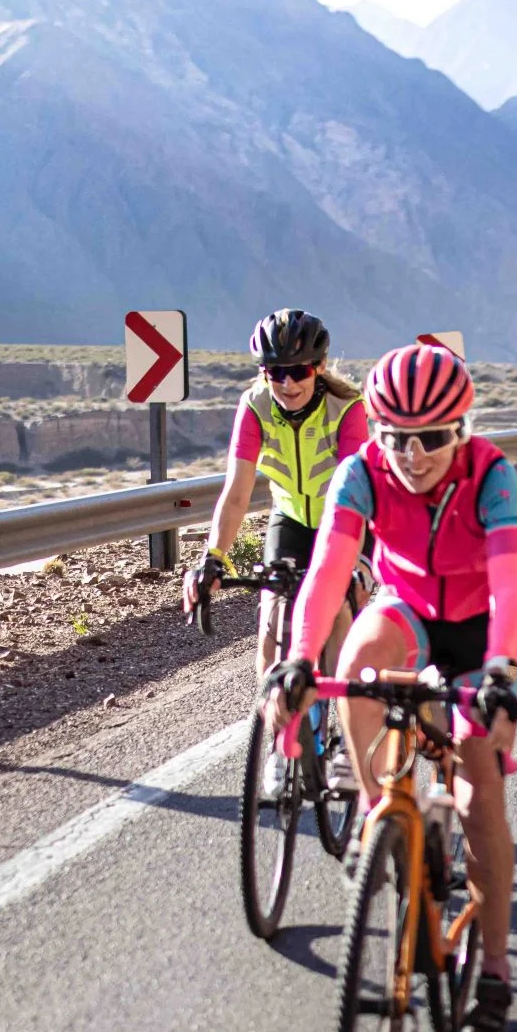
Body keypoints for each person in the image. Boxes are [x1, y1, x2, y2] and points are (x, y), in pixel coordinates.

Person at [263, 343, 517, 1032]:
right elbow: (326, 572)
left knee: (479, 798)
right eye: (397, 438)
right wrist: (294, 661)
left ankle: (496, 967)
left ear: (462, 429)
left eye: (432, 438)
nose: (413, 455)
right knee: (351, 660)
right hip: (407, 608)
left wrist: (501, 675)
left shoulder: (490, 475)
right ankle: (380, 803)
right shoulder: (362, 471)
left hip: (482, 634)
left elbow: (509, 584)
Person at [185, 309, 369, 790]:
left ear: (320, 367)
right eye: (275, 372)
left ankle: (348, 743)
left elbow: (356, 490)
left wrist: (357, 565)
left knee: (340, 618)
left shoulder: (347, 409)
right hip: (288, 520)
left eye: (299, 371)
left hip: (342, 519)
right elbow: (237, 492)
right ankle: (281, 742)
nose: (287, 384)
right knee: (272, 622)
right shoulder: (255, 406)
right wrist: (213, 557)